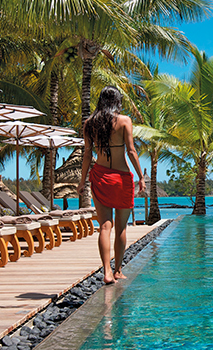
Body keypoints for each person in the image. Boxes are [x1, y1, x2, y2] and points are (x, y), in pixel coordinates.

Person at [78, 86, 146, 284]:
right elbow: (132, 151)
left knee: (105, 226)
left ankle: (106, 272)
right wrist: (141, 177)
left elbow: (87, 155)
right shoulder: (124, 121)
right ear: (117, 101)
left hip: (99, 176)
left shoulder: (89, 124)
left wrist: (82, 182)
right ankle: (118, 270)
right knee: (121, 227)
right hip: (121, 178)